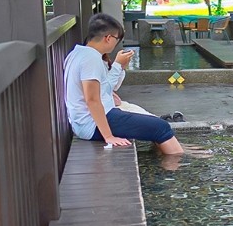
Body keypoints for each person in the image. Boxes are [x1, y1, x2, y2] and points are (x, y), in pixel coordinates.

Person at [64, 13, 184, 155]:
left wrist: (120, 67)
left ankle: (178, 153)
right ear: (108, 38)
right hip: (92, 124)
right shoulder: (91, 58)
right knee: (161, 127)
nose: (117, 43)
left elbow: (100, 91)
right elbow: (92, 100)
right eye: (117, 39)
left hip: (90, 120)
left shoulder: (77, 53)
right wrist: (109, 136)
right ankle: (177, 162)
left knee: (153, 125)